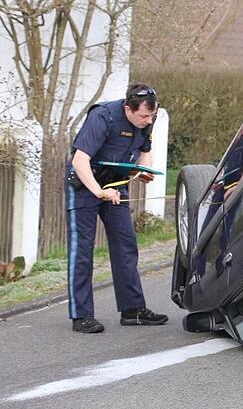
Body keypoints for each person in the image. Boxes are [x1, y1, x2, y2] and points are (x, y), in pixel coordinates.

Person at [65, 82, 169, 333]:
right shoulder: (102, 117)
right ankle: (82, 316)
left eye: (152, 115)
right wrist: (98, 191)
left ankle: (133, 310)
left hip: (115, 183)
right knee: (82, 250)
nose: (148, 120)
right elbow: (80, 160)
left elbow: (145, 150)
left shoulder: (148, 119)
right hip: (84, 183)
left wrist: (143, 170)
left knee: (126, 244)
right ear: (127, 109)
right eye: (144, 116)